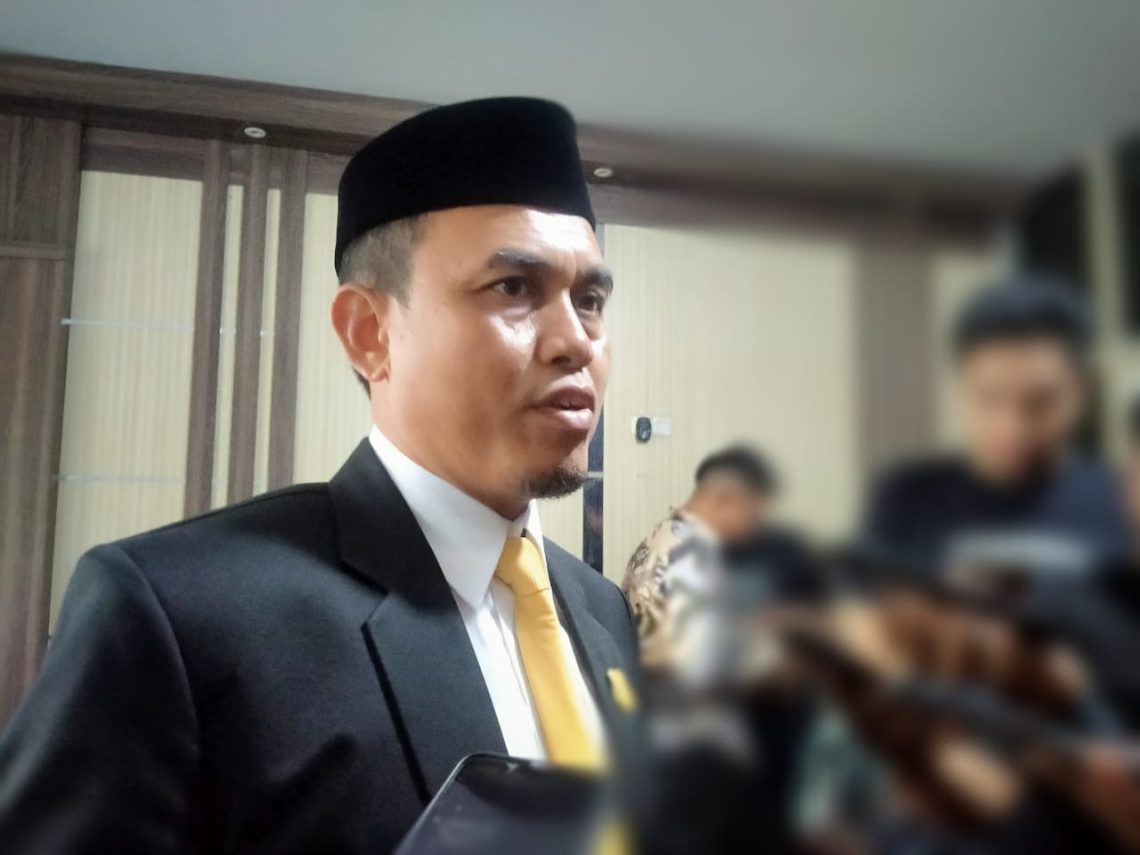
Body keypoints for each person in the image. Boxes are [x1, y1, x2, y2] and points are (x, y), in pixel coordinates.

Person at [0, 98, 643, 854]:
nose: (576, 340)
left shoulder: (601, 610)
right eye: (513, 288)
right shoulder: (180, 614)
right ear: (370, 334)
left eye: (590, 300)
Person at [862, 277, 1131, 578]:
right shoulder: (907, 495)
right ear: (961, 389)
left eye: (1040, 402)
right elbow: (866, 600)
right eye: (989, 399)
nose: (1013, 426)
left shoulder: (1123, 499)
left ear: (1084, 391)